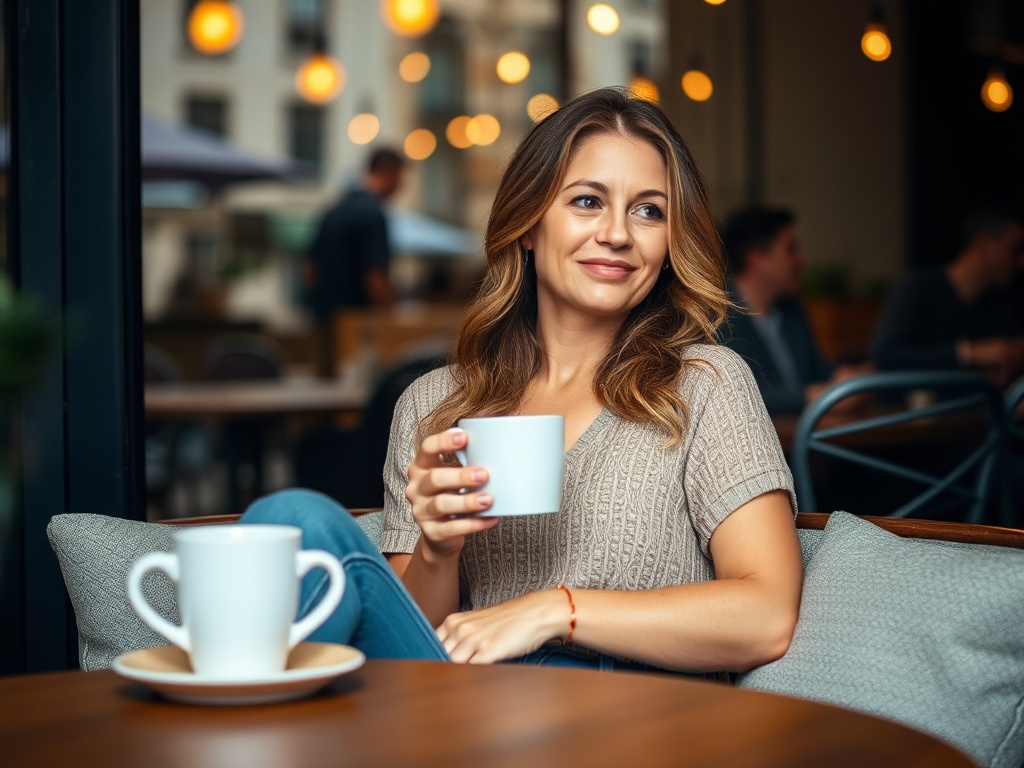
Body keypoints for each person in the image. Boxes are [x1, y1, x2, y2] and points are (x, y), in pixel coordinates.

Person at [244, 87, 801, 677]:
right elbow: (417, 647)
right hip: (463, 706)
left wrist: (554, 611)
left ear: (670, 243)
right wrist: (437, 550)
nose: (617, 233)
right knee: (292, 521)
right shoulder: (437, 406)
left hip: (625, 712)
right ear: (529, 224)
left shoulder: (704, 385)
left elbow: (766, 615)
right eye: (587, 201)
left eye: (649, 210)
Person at [717, 207, 871, 414]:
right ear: (757, 258)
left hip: (808, 436)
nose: (801, 259)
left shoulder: (792, 311)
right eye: (791, 249)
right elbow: (734, 396)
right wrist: (818, 396)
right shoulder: (718, 312)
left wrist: (849, 382)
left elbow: (821, 374)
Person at [871, 200, 1024, 387]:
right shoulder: (918, 286)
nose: (1021, 262)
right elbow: (885, 356)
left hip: (975, 413)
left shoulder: (998, 303)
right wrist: (969, 353)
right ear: (983, 242)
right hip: (910, 410)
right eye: (1015, 250)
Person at [304, 146, 405, 377]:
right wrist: (394, 317)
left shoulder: (333, 210)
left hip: (326, 326)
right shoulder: (372, 215)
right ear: (390, 172)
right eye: (401, 177)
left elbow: (310, 269)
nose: (402, 185)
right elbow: (376, 278)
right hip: (358, 332)